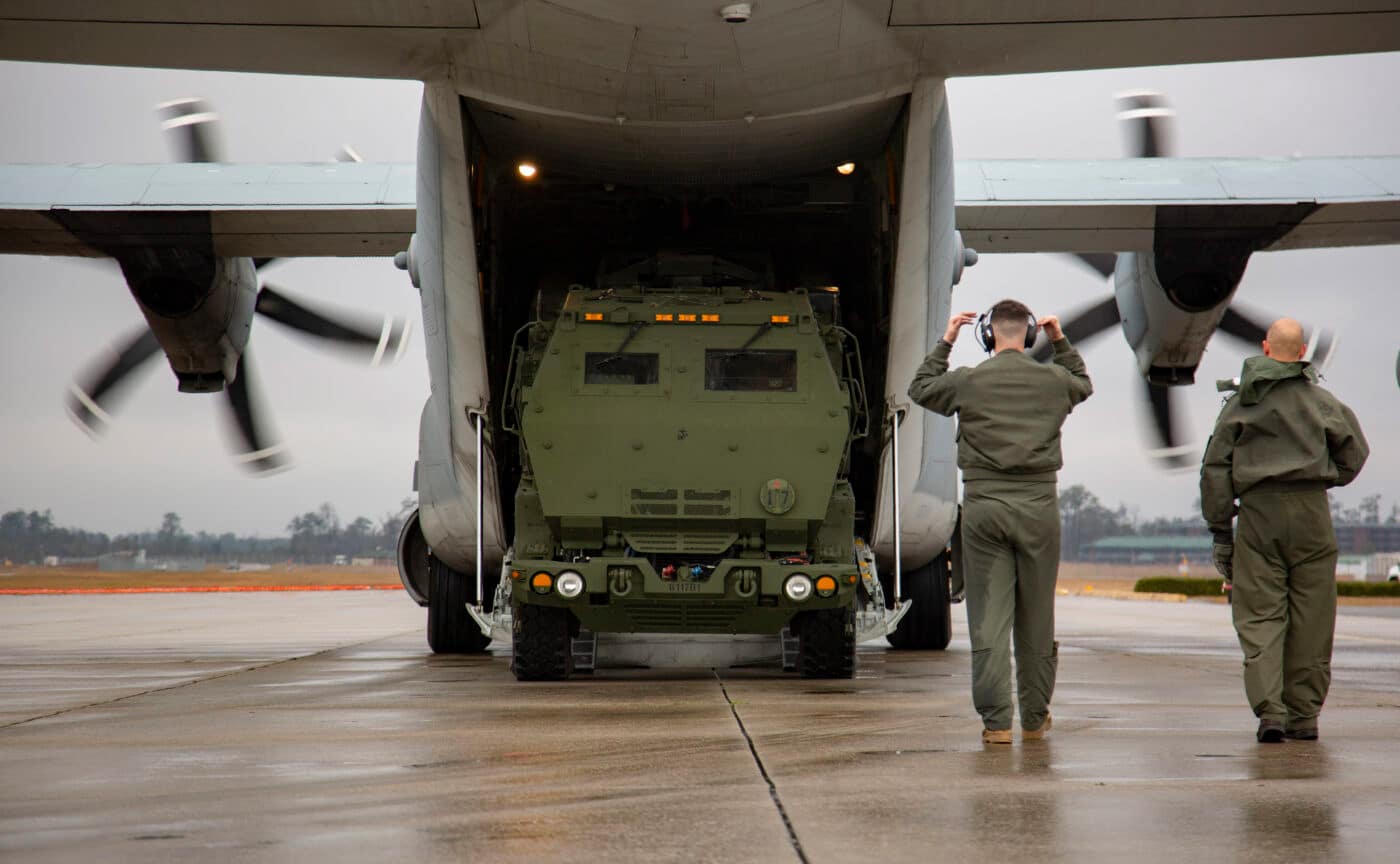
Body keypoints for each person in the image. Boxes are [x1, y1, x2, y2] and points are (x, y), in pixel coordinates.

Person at [908, 300, 1093, 744]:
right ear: (1028, 336)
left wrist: (947, 339)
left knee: (989, 618)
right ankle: (1034, 717)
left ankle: (997, 723)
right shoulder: (1053, 380)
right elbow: (1083, 384)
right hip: (1039, 509)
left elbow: (920, 387)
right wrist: (1061, 340)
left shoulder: (969, 381)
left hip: (984, 507)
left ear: (989, 336)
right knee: (1036, 616)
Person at [1200, 318, 1369, 743]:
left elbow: (1214, 470)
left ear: (1265, 347)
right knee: (1313, 617)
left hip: (1259, 514)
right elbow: (1355, 451)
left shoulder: (1239, 406)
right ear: (1301, 354)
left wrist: (1222, 531)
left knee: (1260, 616)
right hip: (1312, 512)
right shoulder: (1321, 402)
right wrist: (1326, 477)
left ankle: (1270, 713)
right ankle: (1305, 717)